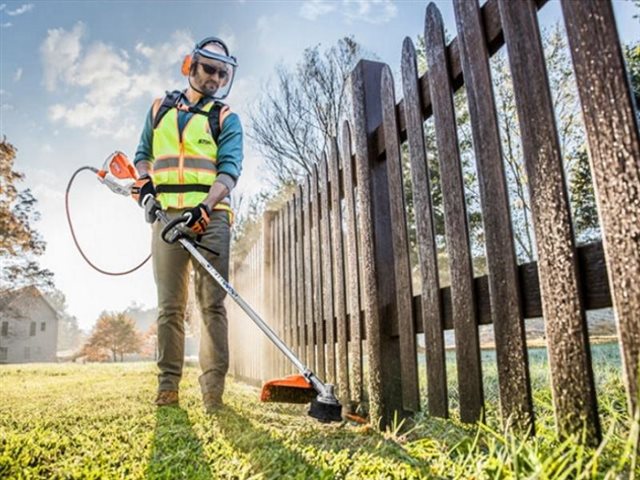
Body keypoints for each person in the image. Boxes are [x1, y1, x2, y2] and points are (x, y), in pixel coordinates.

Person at [131, 36, 243, 413]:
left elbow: (230, 170)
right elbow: (142, 156)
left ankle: (213, 393)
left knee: (212, 305)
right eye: (209, 69)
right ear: (190, 66)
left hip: (210, 220)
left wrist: (205, 206)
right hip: (166, 218)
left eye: (221, 73)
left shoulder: (226, 117)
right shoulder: (159, 108)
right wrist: (145, 186)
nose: (214, 78)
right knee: (170, 307)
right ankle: (168, 387)